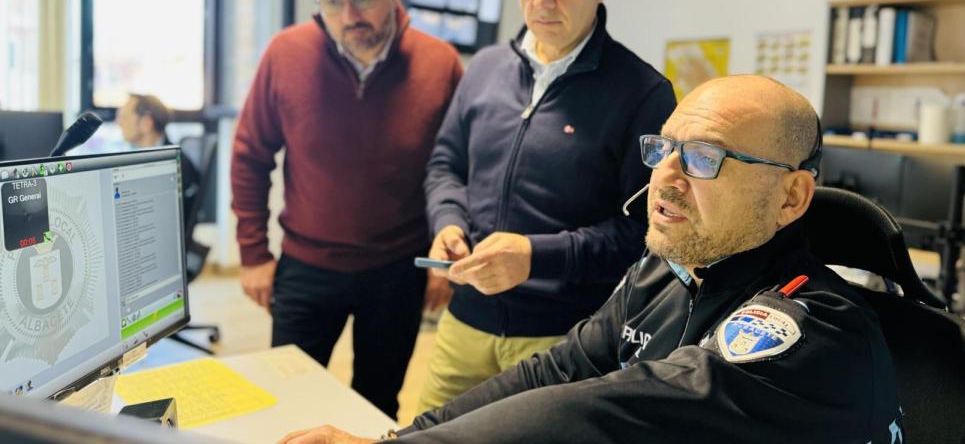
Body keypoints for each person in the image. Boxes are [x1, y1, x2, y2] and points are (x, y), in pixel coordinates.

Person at [274, 75, 905, 444]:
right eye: (664, 149)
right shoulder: (665, 273)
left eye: (705, 159)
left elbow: (602, 407)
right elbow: (556, 372)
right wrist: (401, 436)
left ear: (791, 196)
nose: (666, 176)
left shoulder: (816, 329)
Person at [416, 0, 677, 411]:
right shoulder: (485, 69)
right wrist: (447, 221)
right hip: (464, 323)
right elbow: (445, 164)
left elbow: (645, 235)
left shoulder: (644, 94)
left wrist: (535, 257)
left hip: (564, 340)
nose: (540, 0)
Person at [230, 0, 463, 419]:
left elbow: (458, 169)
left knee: (376, 407)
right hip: (306, 269)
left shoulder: (440, 64)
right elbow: (250, 152)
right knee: (284, 407)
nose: (347, 15)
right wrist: (252, 253)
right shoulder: (286, 54)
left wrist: (442, 258)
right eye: (330, 1)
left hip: (398, 271)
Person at [116, 93, 199, 219]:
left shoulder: (176, 166)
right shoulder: (142, 160)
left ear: (146, 123)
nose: (118, 122)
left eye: (124, 117)